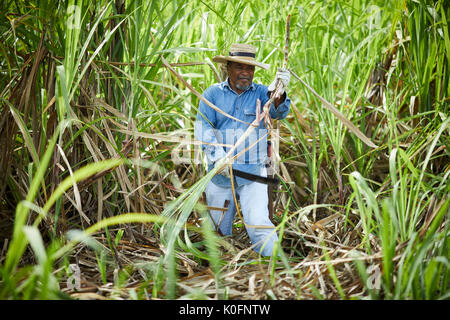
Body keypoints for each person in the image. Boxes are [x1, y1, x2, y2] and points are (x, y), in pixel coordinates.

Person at [194, 43, 291, 256]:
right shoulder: (212, 95)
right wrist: (217, 158)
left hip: (253, 172)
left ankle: (275, 267)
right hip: (220, 174)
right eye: (239, 67)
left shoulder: (262, 93)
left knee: (258, 223)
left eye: (250, 69)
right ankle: (219, 274)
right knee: (217, 230)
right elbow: (203, 129)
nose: (245, 73)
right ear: (227, 67)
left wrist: (279, 93)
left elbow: (278, 112)